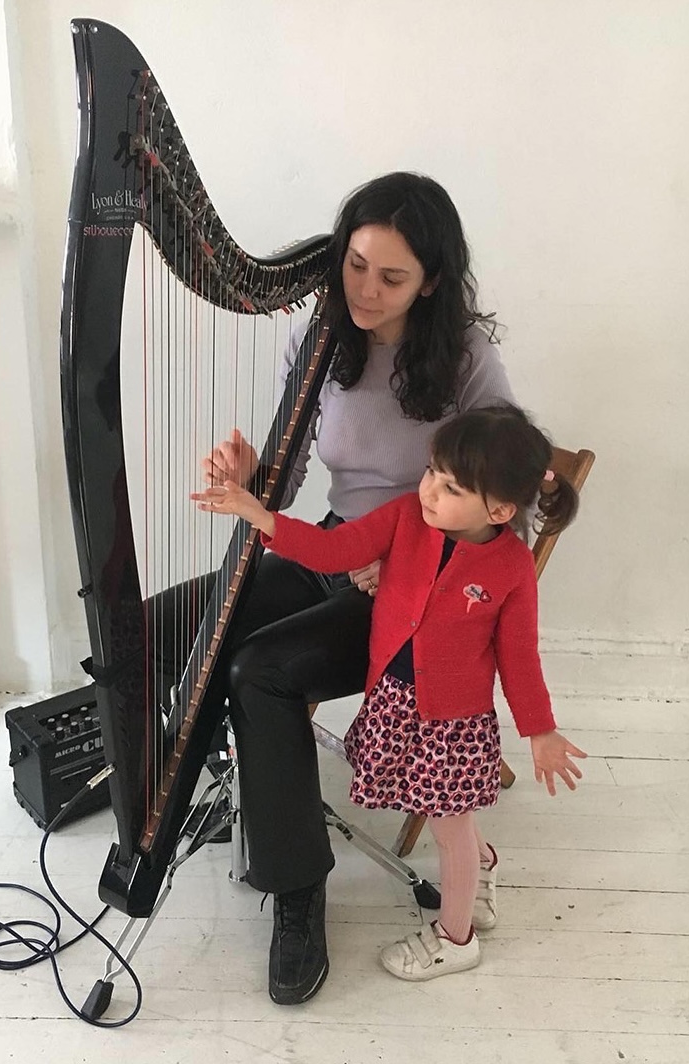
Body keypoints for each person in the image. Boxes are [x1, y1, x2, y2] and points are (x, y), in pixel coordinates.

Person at [162, 171, 515, 1004]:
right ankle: (188, 792)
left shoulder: (464, 360)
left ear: (430, 279)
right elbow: (285, 492)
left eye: (391, 277)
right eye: (355, 265)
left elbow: (506, 505)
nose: (365, 289)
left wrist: (411, 556)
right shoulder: (321, 338)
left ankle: (296, 891)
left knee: (260, 671)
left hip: (412, 597)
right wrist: (253, 479)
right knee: (178, 617)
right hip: (334, 549)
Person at [192, 403, 588, 983]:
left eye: (450, 487)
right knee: (433, 802)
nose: (429, 490)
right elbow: (332, 551)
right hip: (397, 702)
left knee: (447, 825)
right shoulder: (407, 516)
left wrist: (540, 730)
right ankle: (483, 866)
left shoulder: (510, 569)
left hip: (454, 722)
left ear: (499, 510)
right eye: (432, 471)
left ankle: (456, 938)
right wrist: (260, 514)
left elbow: (519, 659)